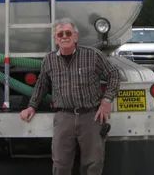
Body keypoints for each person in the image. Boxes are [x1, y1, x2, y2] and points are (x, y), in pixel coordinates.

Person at [19, 18, 120, 175]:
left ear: (75, 37)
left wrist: (107, 100)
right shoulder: (49, 60)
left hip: (91, 117)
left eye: (68, 33)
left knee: (93, 163)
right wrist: (32, 106)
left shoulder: (92, 55)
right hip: (63, 117)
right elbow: (41, 85)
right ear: (56, 39)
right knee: (60, 164)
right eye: (60, 34)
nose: (64, 36)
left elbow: (113, 73)